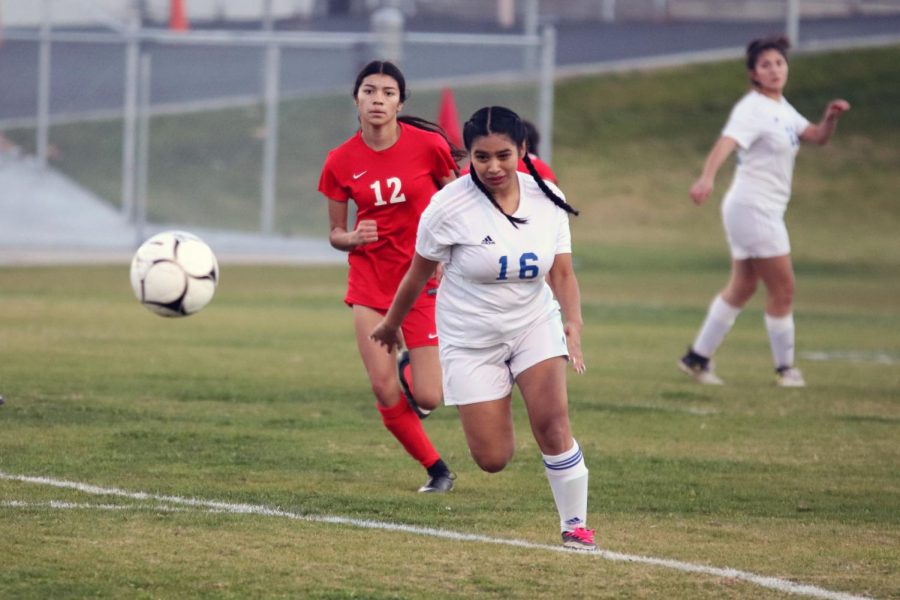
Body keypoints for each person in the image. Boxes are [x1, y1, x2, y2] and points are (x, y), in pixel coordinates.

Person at [370, 106, 596, 551]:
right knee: (493, 458)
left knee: (553, 422)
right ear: (467, 157)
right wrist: (391, 323)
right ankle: (498, 393)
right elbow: (418, 274)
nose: (493, 166)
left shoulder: (547, 197)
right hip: (471, 340)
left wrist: (572, 321)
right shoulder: (448, 207)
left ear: (523, 151)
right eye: (481, 157)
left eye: (503, 155)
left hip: (533, 323)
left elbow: (563, 274)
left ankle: (575, 525)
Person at [318, 60, 463, 493]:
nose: (377, 99)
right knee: (383, 391)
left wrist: (446, 251)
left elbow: (458, 202)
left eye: (387, 92)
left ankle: (408, 365)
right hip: (370, 284)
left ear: (400, 102)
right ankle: (437, 470)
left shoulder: (428, 146)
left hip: (418, 283)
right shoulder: (340, 161)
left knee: (428, 398)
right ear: (356, 99)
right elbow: (334, 235)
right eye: (369, 91)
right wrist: (352, 237)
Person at [679, 36, 850, 387]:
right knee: (783, 288)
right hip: (753, 207)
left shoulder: (782, 108)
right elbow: (727, 141)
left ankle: (696, 358)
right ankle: (785, 369)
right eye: (766, 65)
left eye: (779, 63)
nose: (774, 70)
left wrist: (830, 119)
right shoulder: (752, 108)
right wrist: (706, 178)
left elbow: (816, 135)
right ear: (753, 74)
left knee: (742, 287)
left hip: (759, 208)